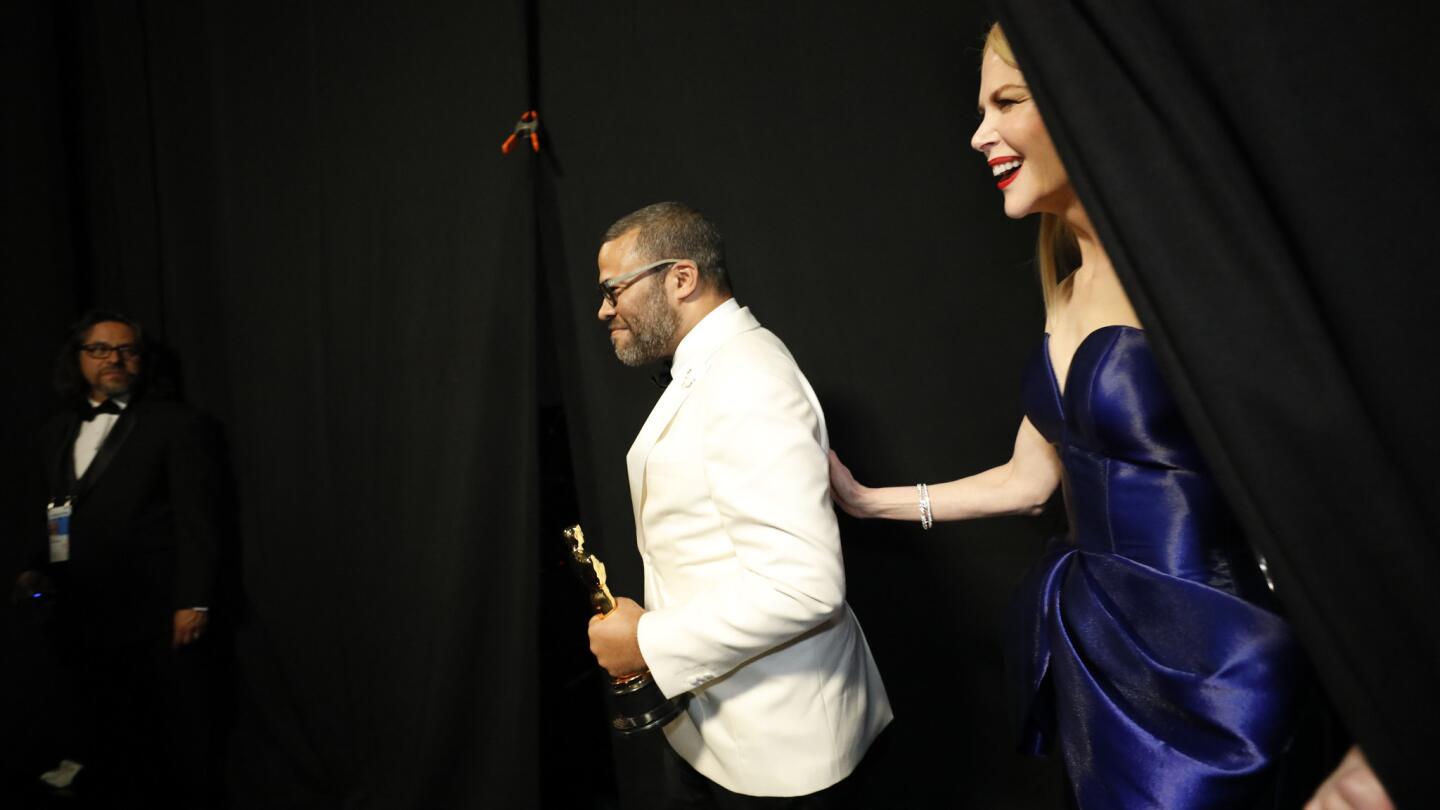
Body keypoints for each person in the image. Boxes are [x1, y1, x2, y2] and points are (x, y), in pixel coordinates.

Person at [827, 26, 1303, 809]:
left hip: (1212, 659)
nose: (979, 133)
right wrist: (870, 501)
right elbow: (1029, 479)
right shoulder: (1063, 284)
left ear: (1080, 105)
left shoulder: (1188, 273)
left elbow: (1300, 466)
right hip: (1101, 655)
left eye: (1005, 101)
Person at [586, 202, 891, 807]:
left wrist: (649, 641)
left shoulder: (749, 379)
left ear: (680, 278)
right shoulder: (715, 368)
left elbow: (806, 587)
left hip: (782, 749)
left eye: (614, 290)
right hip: (730, 729)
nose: (603, 310)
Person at [15, 310, 229, 808]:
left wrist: (194, 600)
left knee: (167, 724)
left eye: (127, 350)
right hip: (78, 602)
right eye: (101, 349)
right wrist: (30, 568)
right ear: (79, 359)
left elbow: (199, 520)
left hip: (153, 606)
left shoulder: (178, 424)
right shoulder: (57, 429)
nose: (115, 359)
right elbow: (51, 507)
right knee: (96, 714)